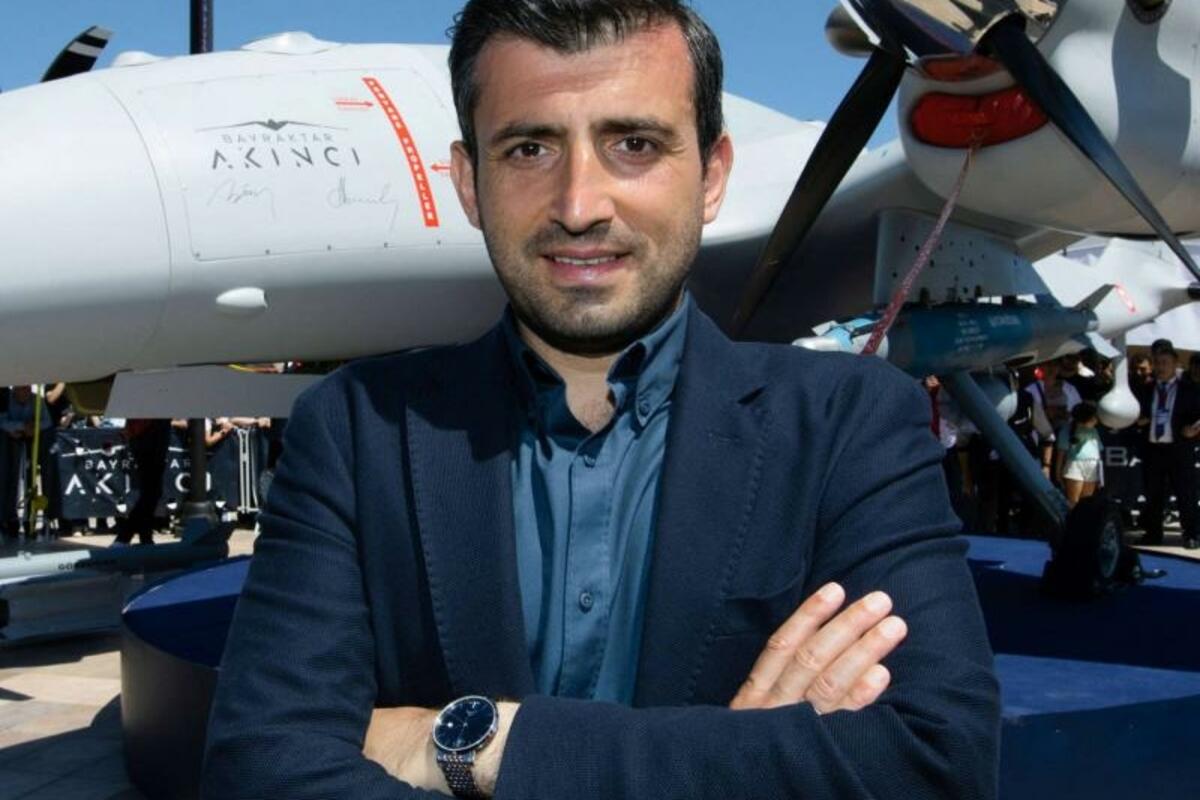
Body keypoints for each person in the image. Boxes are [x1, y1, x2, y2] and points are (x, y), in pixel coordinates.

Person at [202, 3, 999, 798]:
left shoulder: (849, 425)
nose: (580, 205)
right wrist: (742, 761)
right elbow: (259, 771)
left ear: (712, 175)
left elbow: (934, 763)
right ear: (469, 183)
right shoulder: (357, 431)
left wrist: (481, 744)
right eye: (529, 149)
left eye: (634, 145)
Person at [1135, 339, 1200, 548]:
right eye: (1157, 363)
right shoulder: (1146, 389)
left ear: (1175, 364)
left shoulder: (1189, 389)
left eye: (1165, 363)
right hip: (1154, 448)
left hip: (1179, 448)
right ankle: (1153, 533)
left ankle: (1191, 534)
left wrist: (1194, 430)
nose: (1161, 367)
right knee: (1153, 493)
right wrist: (1140, 421)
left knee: (1185, 493)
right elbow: (1136, 413)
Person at [1054, 402, 1102, 508]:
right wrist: (1058, 473)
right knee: (1073, 502)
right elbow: (1061, 454)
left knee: (1087, 504)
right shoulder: (1067, 430)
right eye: (1094, 417)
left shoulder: (1094, 431)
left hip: (1092, 466)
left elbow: (1099, 451)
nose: (1096, 420)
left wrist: (1100, 474)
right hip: (1074, 466)